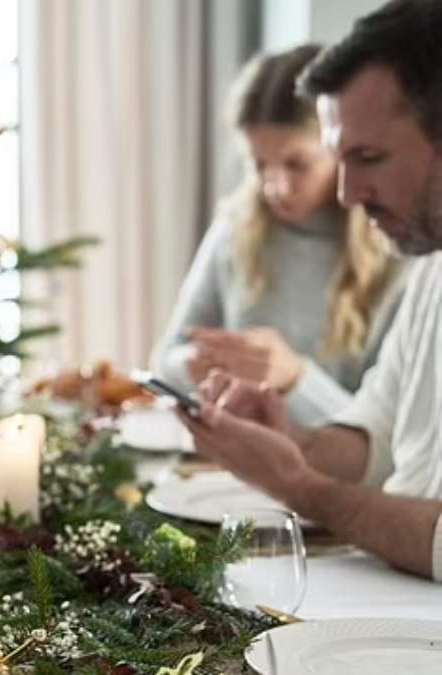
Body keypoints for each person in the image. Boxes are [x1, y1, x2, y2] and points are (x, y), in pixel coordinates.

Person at [179, 0, 442, 581]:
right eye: (339, 159)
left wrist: (299, 484)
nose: (345, 194)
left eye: (369, 157)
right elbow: (374, 443)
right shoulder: (430, 262)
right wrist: (288, 439)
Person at [152, 44, 406, 426]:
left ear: (341, 150)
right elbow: (166, 361)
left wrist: (295, 380)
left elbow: (387, 437)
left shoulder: (396, 249)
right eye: (259, 164)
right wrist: (195, 364)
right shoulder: (237, 227)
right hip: (227, 467)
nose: (275, 187)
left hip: (330, 479)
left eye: (297, 164)